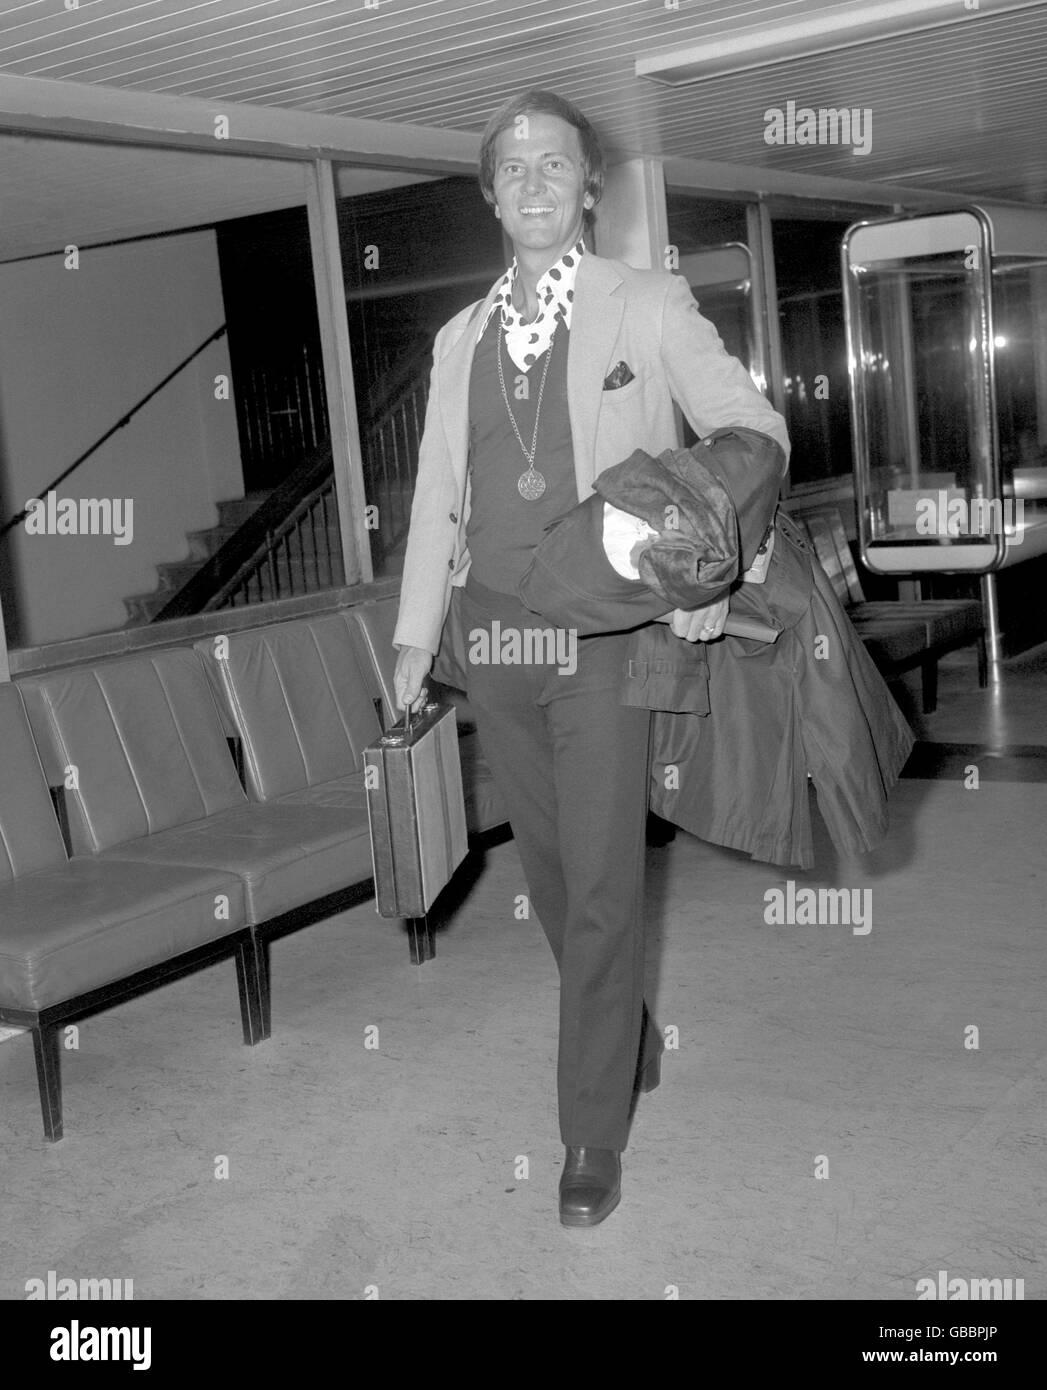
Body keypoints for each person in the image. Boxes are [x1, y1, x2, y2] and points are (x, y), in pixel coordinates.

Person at [393, 89, 789, 1227]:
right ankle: (624, 1031)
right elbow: (432, 500)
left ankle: (587, 1132)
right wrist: (417, 635)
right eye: (511, 168)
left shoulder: (647, 306)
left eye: (553, 166)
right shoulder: (457, 340)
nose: (532, 183)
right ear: (488, 191)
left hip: (604, 639)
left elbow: (754, 432)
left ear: (588, 186)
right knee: (556, 877)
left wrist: (711, 563)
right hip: (494, 641)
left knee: (609, 880)